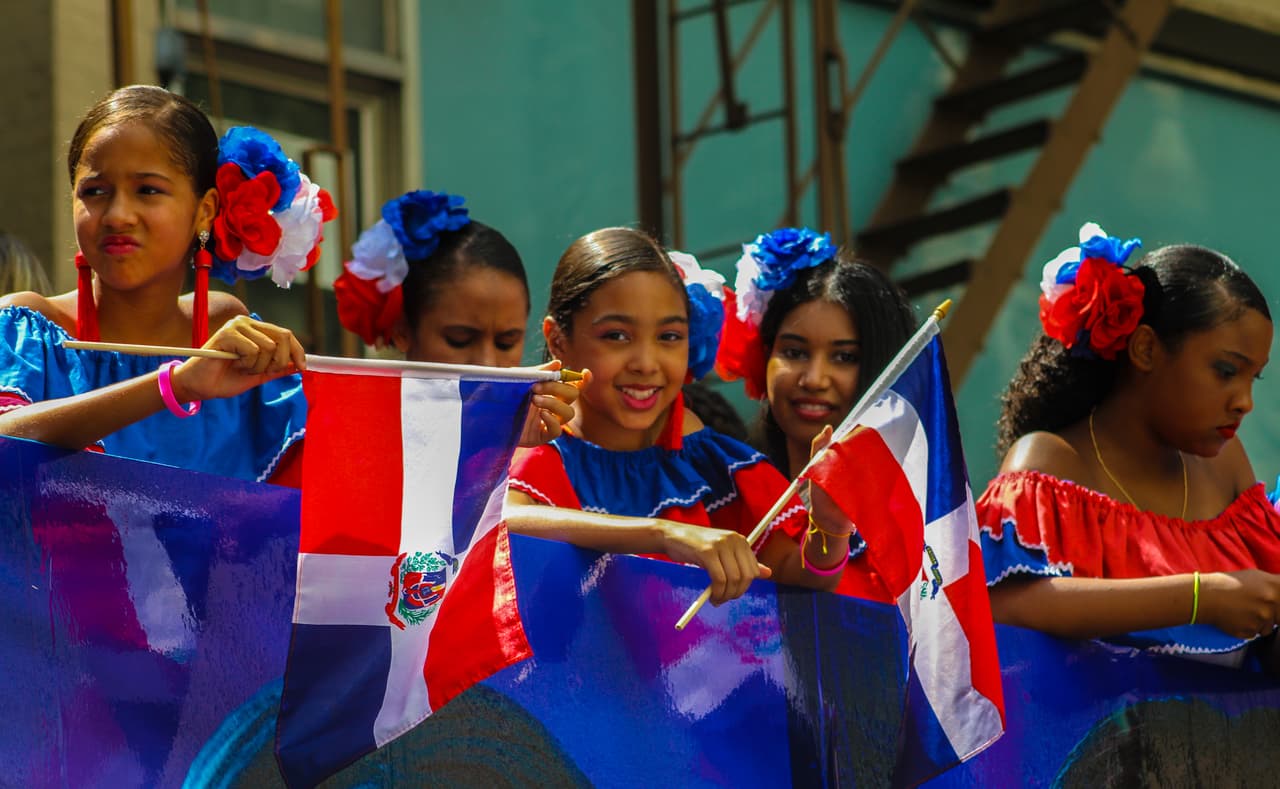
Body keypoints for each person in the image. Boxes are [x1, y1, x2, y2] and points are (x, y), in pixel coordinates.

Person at [979, 222, 1280, 670]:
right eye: (1224, 370)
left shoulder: (1227, 467)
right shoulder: (1049, 461)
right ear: (1144, 350)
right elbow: (1005, 604)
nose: (1244, 403)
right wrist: (1201, 596)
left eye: (1252, 378)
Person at [0, 85, 335, 482]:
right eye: (94, 191)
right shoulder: (28, 327)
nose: (118, 214)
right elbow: (7, 438)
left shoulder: (225, 333)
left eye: (148, 190)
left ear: (204, 210)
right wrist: (175, 385)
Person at [504, 227, 852, 606]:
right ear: (558, 340)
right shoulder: (534, 445)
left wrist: (831, 532)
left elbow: (797, 582)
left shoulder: (715, 468)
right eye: (617, 336)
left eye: (669, 336)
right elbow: (504, 524)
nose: (646, 364)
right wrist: (663, 534)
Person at [716, 226, 917, 602]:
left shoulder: (922, 523)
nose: (814, 379)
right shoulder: (724, 493)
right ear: (763, 357)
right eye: (794, 352)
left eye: (844, 357)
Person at [332, 189, 575, 444]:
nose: (487, 365)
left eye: (506, 343)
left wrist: (502, 447)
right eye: (459, 339)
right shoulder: (349, 437)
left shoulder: (530, 442)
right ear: (402, 330)